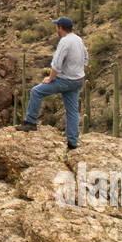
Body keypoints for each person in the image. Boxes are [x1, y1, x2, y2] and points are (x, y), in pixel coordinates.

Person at [17, 16, 88, 149]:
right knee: (72, 110)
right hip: (78, 79)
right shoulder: (78, 39)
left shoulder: (65, 42)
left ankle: (30, 122)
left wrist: (50, 78)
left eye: (57, 26)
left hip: (65, 80)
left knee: (36, 91)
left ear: (60, 28)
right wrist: (77, 70)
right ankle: (73, 142)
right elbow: (85, 57)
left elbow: (56, 64)